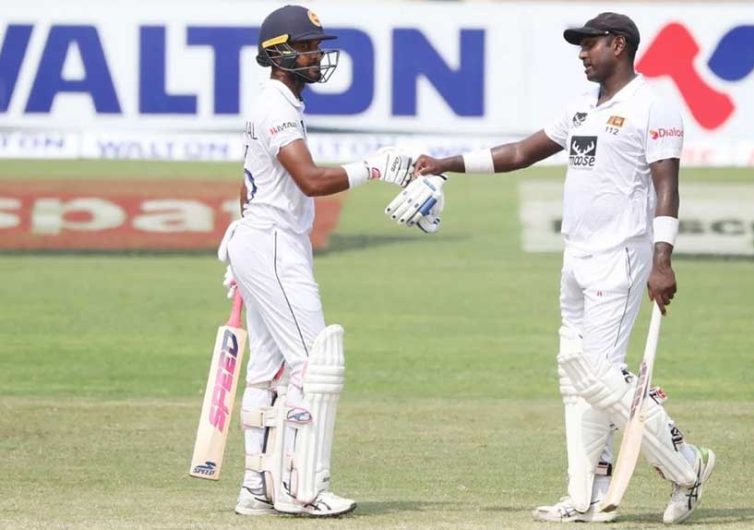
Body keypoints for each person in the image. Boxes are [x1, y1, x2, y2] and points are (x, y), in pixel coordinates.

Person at [413, 12, 715, 525]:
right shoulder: (579, 108)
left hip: (621, 257)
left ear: (618, 46)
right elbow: (519, 153)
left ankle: (688, 466)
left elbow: (668, 185)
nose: (581, 53)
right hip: (576, 256)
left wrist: (662, 259)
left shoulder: (653, 107)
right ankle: (585, 495)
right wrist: (447, 163)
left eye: (589, 44)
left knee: (600, 377)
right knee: (576, 380)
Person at [218, 5, 417, 518]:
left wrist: (244, 256)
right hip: (275, 244)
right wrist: (374, 166)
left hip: (263, 242)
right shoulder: (278, 107)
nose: (316, 54)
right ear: (279, 52)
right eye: (307, 46)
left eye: (315, 45)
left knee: (268, 369)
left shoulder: (276, 102)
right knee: (313, 365)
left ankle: (257, 489)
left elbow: (249, 184)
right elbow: (310, 181)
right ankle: (303, 489)